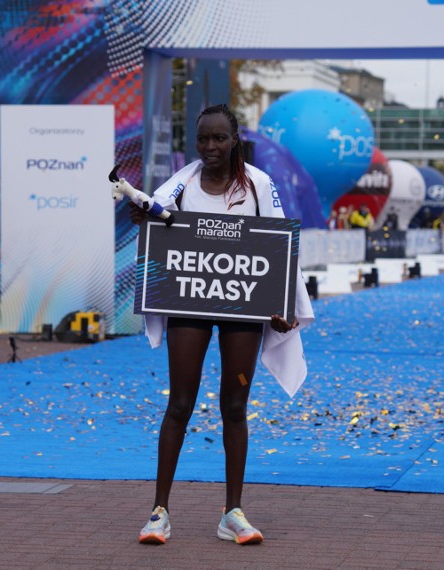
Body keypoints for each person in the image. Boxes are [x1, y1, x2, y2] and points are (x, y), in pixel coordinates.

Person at [132, 104, 314, 546]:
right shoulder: (180, 185)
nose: (210, 147)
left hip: (243, 308)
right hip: (190, 304)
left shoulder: (258, 185)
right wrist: (143, 219)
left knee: (235, 406)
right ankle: (159, 513)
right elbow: (155, 224)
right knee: (180, 402)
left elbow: (278, 245)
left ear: (234, 140)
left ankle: (232, 512)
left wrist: (283, 301)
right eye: (203, 139)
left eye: (219, 138)